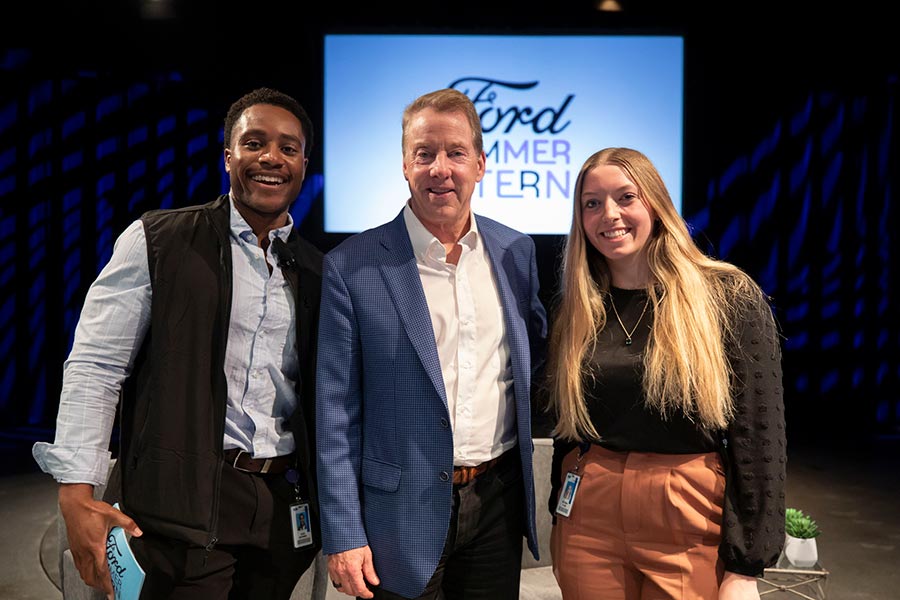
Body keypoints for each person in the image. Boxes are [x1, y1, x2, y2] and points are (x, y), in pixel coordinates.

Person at [32, 87, 324, 599]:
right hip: (174, 512)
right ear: (228, 155)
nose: (271, 158)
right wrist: (76, 492)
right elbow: (96, 367)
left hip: (279, 513)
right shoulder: (158, 239)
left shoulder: (319, 270)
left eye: (289, 147)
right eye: (254, 143)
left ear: (304, 163)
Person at [315, 87, 548, 600]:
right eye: (425, 154)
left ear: (481, 164)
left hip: (496, 504)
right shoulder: (351, 266)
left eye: (456, 152)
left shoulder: (516, 252)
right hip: (396, 519)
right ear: (405, 165)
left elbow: (535, 364)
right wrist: (344, 534)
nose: (440, 168)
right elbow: (334, 415)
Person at [545, 147, 786, 600]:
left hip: (688, 513)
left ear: (655, 203)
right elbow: (569, 429)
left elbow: (760, 435)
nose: (609, 214)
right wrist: (561, 513)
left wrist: (745, 566)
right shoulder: (578, 308)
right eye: (591, 203)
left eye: (625, 197)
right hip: (589, 519)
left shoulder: (727, 296)